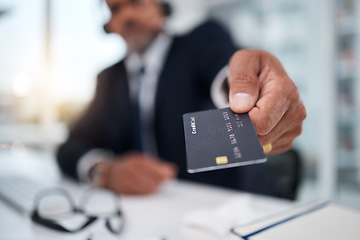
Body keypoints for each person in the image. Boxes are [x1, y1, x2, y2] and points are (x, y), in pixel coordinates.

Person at [57, 0, 306, 196]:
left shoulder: (200, 42)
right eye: (115, 9)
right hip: (149, 212)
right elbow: (70, 147)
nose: (127, 16)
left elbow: (223, 71)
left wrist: (248, 88)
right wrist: (104, 171)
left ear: (161, 7)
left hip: (230, 204)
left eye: (137, 2)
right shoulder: (108, 79)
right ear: (109, 24)